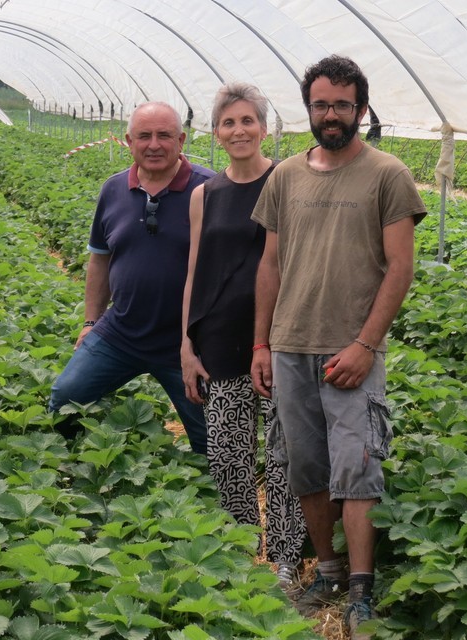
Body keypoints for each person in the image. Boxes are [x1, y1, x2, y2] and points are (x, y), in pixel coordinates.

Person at [250, 55, 427, 636]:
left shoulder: (387, 174)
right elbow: (270, 264)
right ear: (309, 109)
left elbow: (400, 268)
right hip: (291, 343)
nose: (331, 115)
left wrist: (366, 345)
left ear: (362, 109)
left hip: (350, 348)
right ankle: (323, 570)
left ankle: (360, 589)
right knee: (306, 465)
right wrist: (262, 343)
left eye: (342, 105)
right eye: (321, 104)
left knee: (357, 468)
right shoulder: (285, 176)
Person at [180, 82, 308, 594]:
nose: (238, 131)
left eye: (247, 121)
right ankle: (236, 551)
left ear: (264, 127)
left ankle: (285, 557)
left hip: (278, 339)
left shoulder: (289, 182)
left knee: (283, 453)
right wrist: (186, 343)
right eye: (228, 123)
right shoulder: (203, 194)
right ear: (216, 132)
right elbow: (194, 270)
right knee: (229, 452)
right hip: (217, 337)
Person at [48, 102, 212, 456]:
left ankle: (211, 502)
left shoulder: (208, 189)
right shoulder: (113, 190)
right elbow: (100, 259)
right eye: (144, 136)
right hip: (121, 331)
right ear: (129, 141)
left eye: (164, 135)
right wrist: (91, 321)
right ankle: (68, 471)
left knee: (209, 439)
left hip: (184, 342)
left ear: (181, 140)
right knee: (64, 399)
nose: (154, 144)